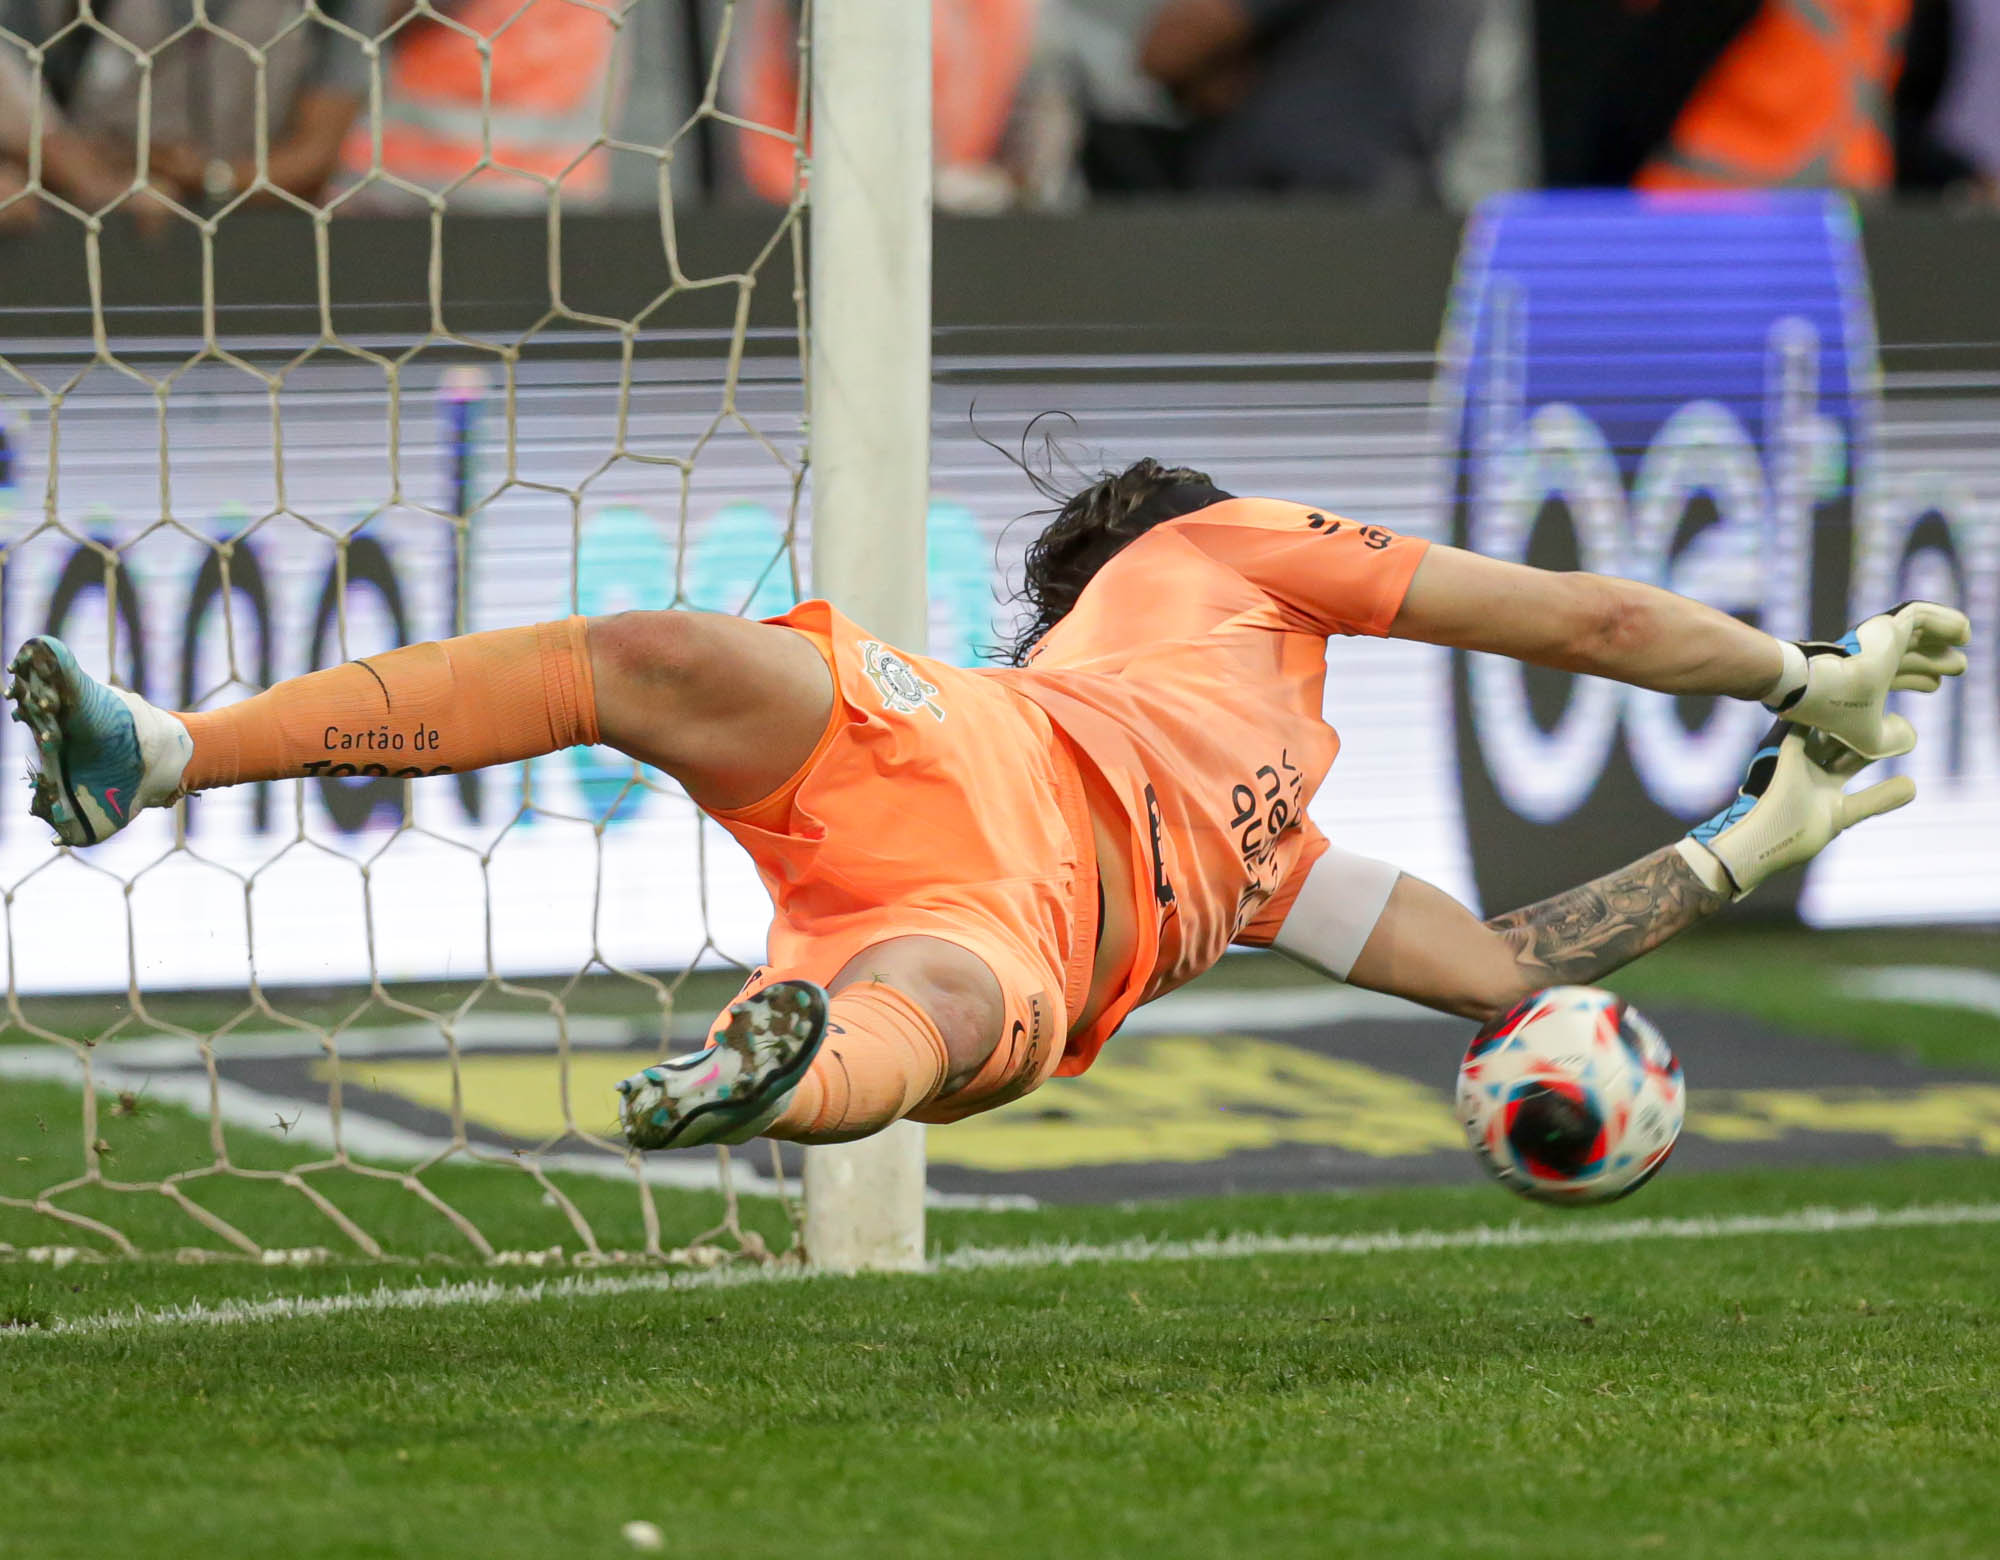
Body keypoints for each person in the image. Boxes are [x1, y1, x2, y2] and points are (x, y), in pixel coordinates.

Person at [6, 462, 1970, 1152]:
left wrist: (1770, 831)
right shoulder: (1232, 566)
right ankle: (782, 1079)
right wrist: (1797, 687)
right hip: (1008, 860)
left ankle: (174, 752)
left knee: (670, 662)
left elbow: (1502, 979)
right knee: (937, 1022)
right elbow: (1595, 625)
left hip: (926, 764)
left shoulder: (1283, 856)